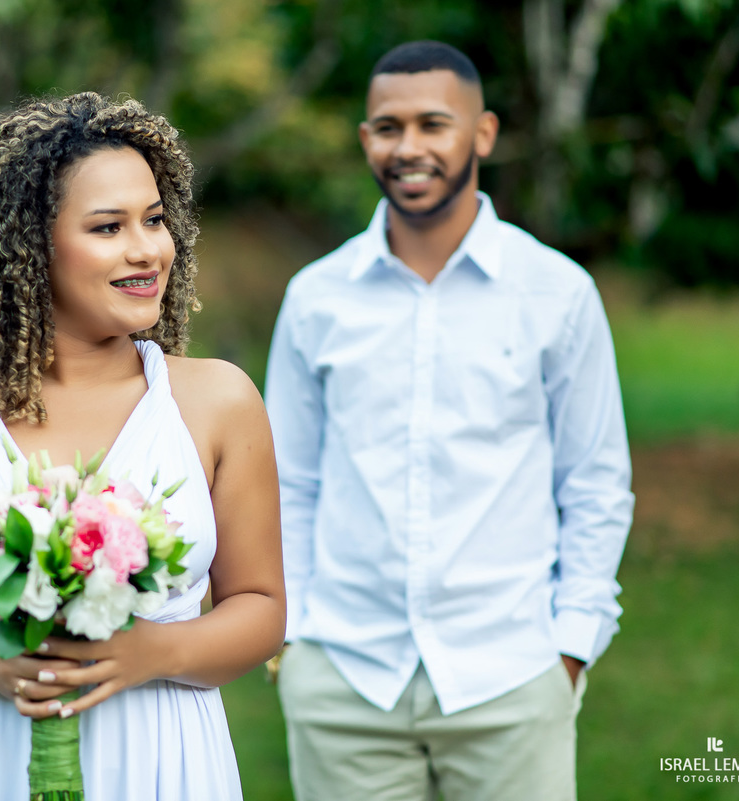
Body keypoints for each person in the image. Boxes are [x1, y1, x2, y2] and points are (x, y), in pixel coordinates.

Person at [0, 92, 285, 801]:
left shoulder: (218, 402)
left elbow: (260, 606)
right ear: (29, 246)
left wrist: (151, 652)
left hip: (161, 762)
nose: (148, 249)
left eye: (154, 219)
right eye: (109, 227)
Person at [264, 41, 634, 801]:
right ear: (366, 139)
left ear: (483, 133)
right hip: (345, 679)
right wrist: (291, 638)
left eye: (434, 124)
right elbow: (287, 482)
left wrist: (571, 647)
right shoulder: (316, 298)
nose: (409, 147)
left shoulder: (557, 292)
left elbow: (596, 482)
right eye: (388, 127)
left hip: (512, 675)